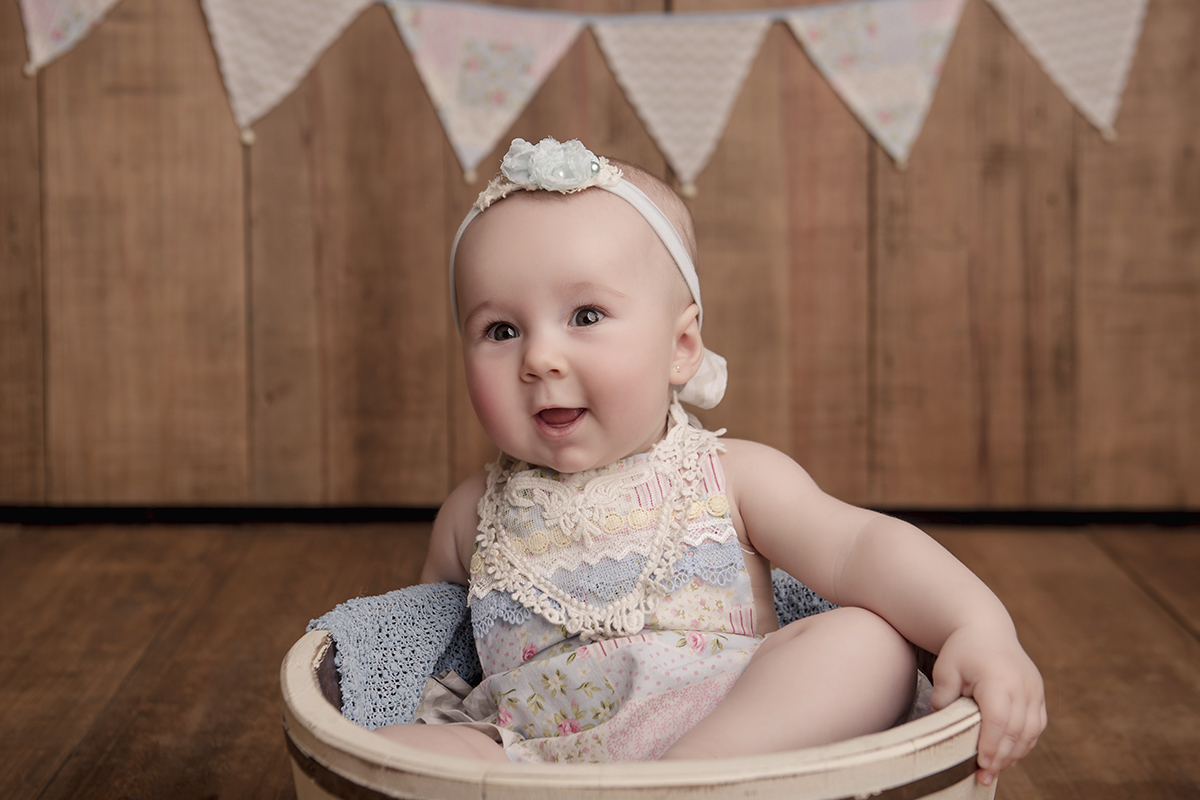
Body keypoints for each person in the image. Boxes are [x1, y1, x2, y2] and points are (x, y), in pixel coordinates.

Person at [375, 137, 1045, 785]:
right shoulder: (471, 514)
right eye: (501, 330)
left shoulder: (729, 475)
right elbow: (426, 642)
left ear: (682, 346)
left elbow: (859, 547)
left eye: (586, 315)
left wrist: (978, 627)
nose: (540, 358)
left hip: (732, 732)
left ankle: (691, 781)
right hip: (536, 760)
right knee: (387, 751)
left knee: (870, 644)